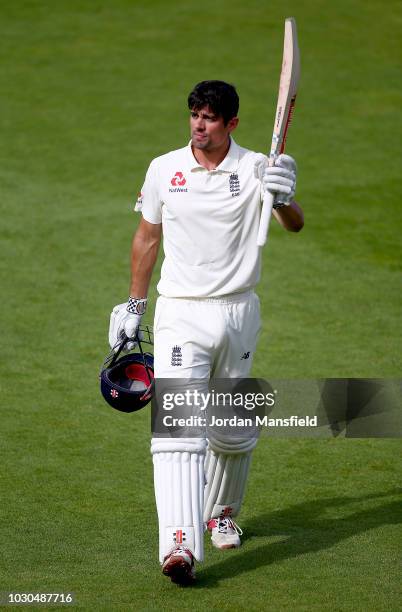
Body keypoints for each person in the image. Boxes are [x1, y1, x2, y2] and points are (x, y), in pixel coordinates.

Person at [109, 80, 304, 585]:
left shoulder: (258, 167)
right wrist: (135, 302)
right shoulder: (164, 168)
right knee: (177, 429)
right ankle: (179, 545)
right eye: (194, 115)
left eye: (210, 117)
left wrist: (282, 197)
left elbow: (296, 224)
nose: (199, 124)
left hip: (239, 311)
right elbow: (147, 237)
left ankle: (221, 514)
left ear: (231, 123)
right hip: (180, 313)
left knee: (233, 429)